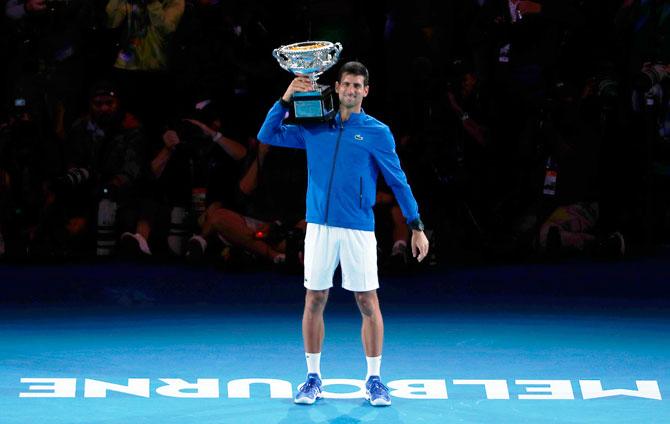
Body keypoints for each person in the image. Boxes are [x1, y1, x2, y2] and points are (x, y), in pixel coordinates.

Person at [257, 61, 429, 407]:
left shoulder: (378, 132)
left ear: (366, 91)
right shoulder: (314, 125)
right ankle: (312, 378)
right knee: (314, 299)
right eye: (346, 84)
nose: (351, 90)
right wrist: (286, 98)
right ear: (336, 87)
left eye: (357, 86)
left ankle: (375, 379)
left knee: (367, 301)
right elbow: (268, 135)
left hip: (358, 229)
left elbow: (397, 180)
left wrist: (416, 226)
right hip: (318, 227)